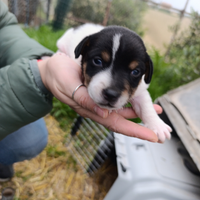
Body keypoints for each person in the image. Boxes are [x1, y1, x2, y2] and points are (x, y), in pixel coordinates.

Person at [0, 1, 161, 182]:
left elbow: (4, 27)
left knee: (32, 140)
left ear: (146, 72)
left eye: (135, 72)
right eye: (98, 62)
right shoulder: (78, 43)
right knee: (30, 140)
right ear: (81, 52)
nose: (112, 89)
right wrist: (43, 72)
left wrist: (152, 119)